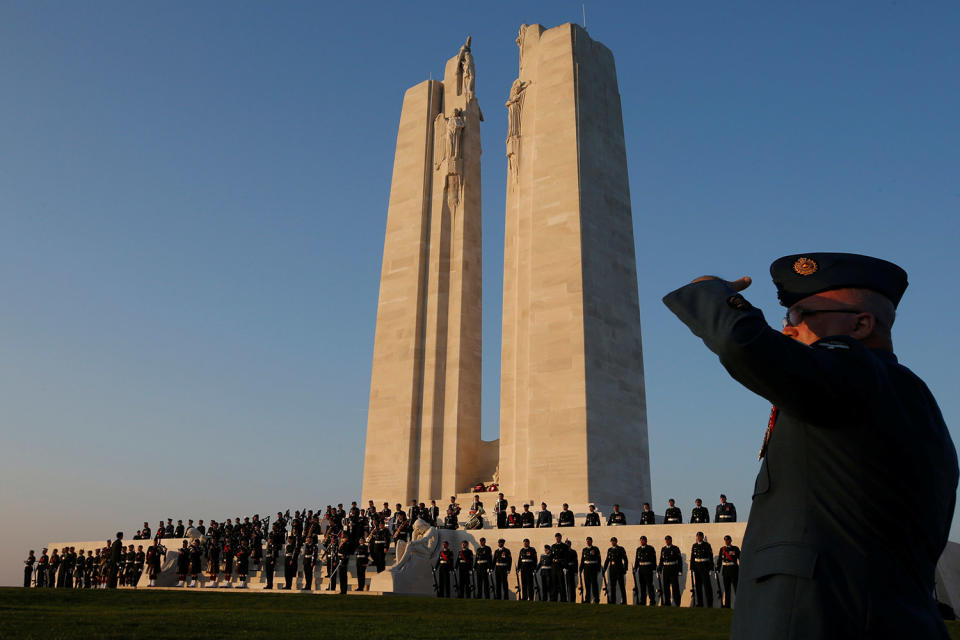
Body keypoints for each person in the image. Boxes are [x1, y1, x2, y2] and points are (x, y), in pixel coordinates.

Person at [664, 252, 959, 638]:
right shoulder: (907, 395)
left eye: (799, 316)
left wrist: (709, 292)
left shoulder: (856, 373)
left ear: (860, 324)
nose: (787, 329)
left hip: (818, 619)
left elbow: (743, 343)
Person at [690, 532, 714, 607]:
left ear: (703, 537)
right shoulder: (694, 545)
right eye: (698, 536)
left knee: (707, 586)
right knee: (698, 586)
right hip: (697, 567)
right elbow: (692, 557)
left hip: (704, 566)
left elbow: (710, 557)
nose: (699, 537)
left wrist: (711, 568)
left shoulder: (707, 545)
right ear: (696, 537)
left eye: (700, 536)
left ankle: (709, 604)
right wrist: (692, 567)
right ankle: (700, 603)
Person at [716, 535, 740, 608]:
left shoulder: (735, 548)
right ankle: (727, 606)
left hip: (734, 570)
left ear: (731, 540)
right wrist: (718, 569)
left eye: (728, 540)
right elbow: (720, 560)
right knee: (727, 589)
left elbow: (740, 557)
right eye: (725, 540)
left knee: (736, 589)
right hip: (725, 571)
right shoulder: (722, 549)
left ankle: (739, 605)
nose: (726, 541)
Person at [658, 535, 681, 606]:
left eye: (668, 540)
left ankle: (677, 602)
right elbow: (661, 560)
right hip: (666, 569)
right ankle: (667, 602)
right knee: (666, 587)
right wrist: (660, 568)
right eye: (666, 540)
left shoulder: (675, 548)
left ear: (671, 540)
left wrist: (680, 570)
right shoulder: (663, 549)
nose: (667, 541)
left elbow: (679, 560)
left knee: (675, 587)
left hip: (673, 569)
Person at [604, 537, 628, 604]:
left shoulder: (620, 549)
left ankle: (624, 601)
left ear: (616, 542)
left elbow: (625, 559)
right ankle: (613, 601)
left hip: (619, 568)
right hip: (612, 569)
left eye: (614, 541)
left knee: (621, 586)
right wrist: (604, 569)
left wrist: (625, 569)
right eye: (611, 541)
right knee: (612, 586)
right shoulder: (610, 550)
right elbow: (607, 560)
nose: (612, 542)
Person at [634, 535, 657, 606]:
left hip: (648, 568)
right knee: (642, 586)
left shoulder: (650, 548)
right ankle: (642, 601)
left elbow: (653, 559)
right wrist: (635, 568)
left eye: (643, 540)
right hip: (641, 569)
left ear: (646, 541)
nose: (641, 541)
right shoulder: (638, 549)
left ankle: (652, 601)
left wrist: (653, 569)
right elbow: (637, 560)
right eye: (641, 540)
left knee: (650, 585)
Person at [579, 537, 601, 603]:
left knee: (594, 584)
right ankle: (587, 599)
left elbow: (599, 559)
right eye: (587, 541)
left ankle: (596, 599)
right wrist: (580, 568)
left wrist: (598, 568)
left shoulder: (595, 549)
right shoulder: (584, 550)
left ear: (592, 541)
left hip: (593, 567)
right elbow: (582, 559)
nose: (588, 542)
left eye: (589, 541)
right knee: (587, 584)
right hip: (586, 567)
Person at [549, 533, 567, 601]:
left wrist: (565, 567)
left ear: (561, 538)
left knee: (561, 583)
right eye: (556, 537)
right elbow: (550, 556)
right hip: (554, 565)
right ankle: (554, 598)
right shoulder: (553, 546)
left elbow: (566, 557)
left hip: (560, 565)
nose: (557, 538)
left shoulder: (564, 546)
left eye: (558, 537)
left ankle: (563, 599)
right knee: (554, 583)